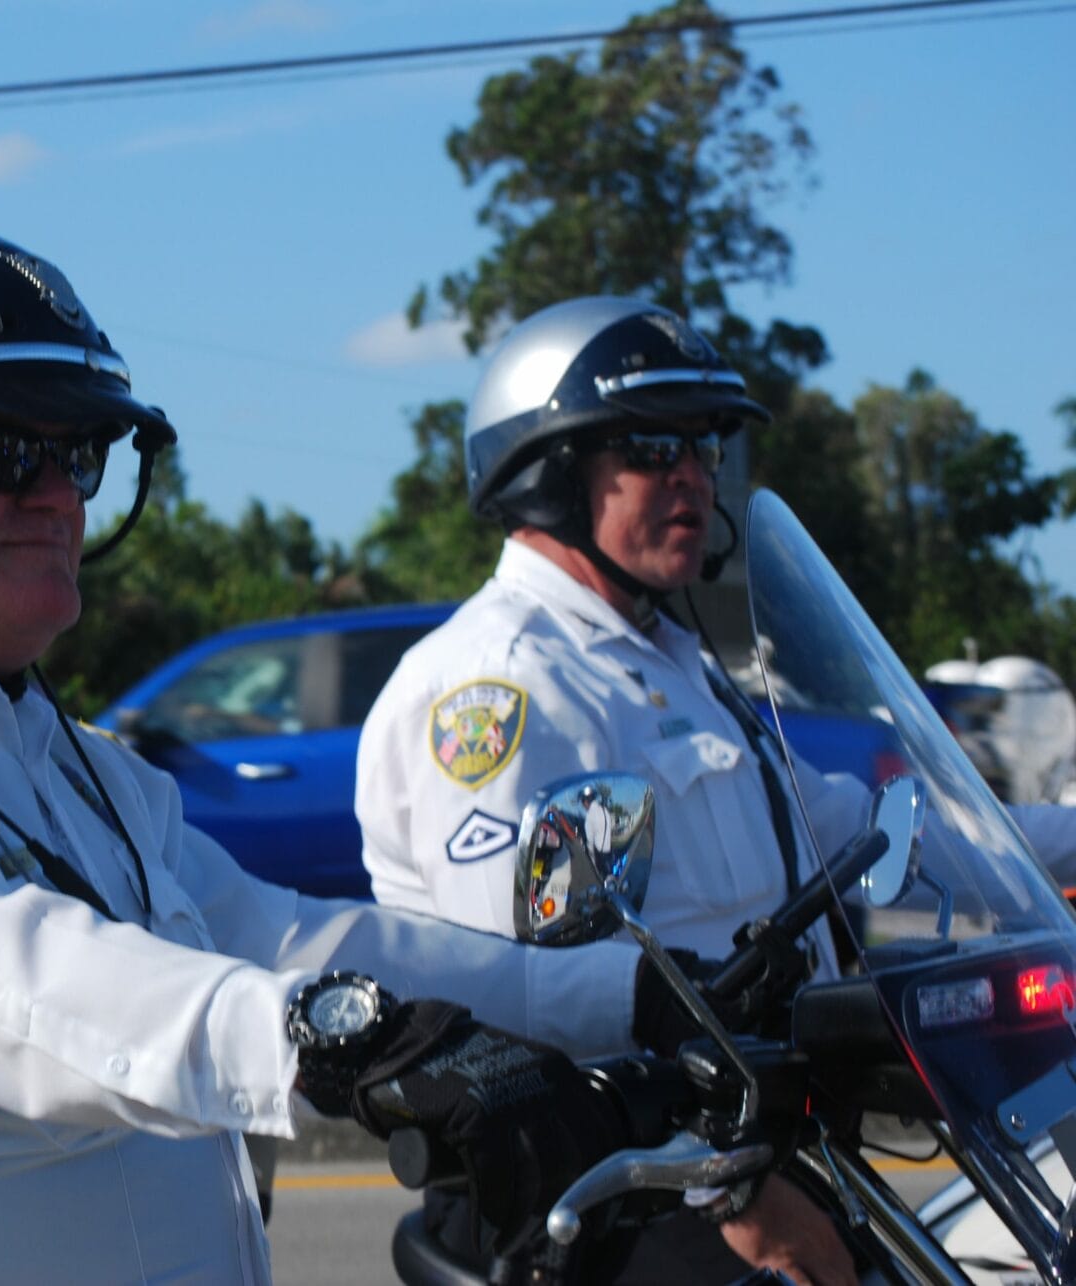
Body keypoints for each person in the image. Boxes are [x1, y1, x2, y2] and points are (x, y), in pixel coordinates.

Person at [0, 221, 645, 1286]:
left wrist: (632, 994)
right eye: (4, 452)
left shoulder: (56, 758)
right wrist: (321, 1038)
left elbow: (288, 936)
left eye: (76, 453)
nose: (57, 496)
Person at [355, 295, 1076, 1286]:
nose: (694, 473)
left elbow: (872, 834)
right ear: (549, 473)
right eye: (654, 447)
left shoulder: (672, 665)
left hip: (757, 1139)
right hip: (606, 1189)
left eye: (704, 445)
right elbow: (526, 999)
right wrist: (737, 1195)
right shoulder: (496, 687)